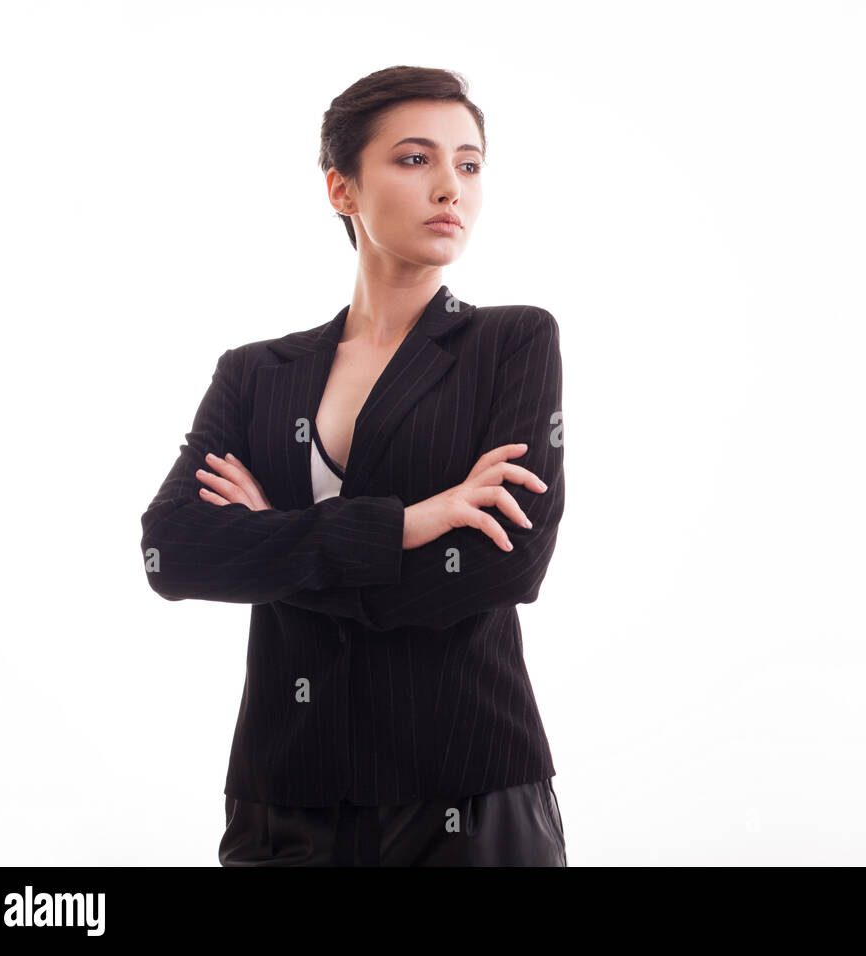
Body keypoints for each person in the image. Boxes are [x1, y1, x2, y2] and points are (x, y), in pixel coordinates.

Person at [139, 66, 567, 866]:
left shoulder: (512, 342)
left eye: (469, 164)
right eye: (415, 160)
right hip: (287, 797)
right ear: (342, 189)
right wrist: (402, 527)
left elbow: (502, 565)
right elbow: (173, 551)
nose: (451, 187)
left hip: (466, 788)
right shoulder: (255, 372)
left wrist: (274, 540)